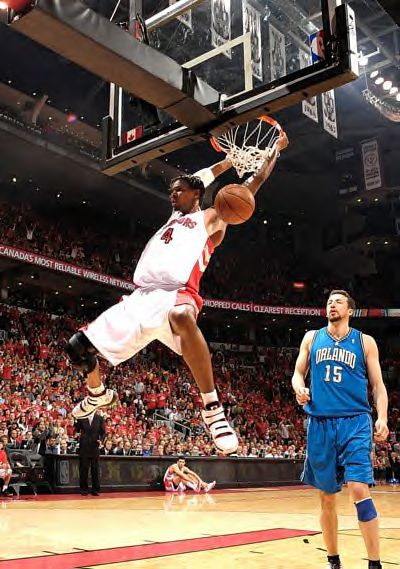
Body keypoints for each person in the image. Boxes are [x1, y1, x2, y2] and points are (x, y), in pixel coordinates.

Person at [67, 133, 288, 455]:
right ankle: (97, 394)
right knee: (77, 347)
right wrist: (229, 160)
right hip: (140, 297)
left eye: (179, 191)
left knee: (182, 316)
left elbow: (251, 185)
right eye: (172, 190)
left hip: (176, 292)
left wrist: (274, 151)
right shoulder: (175, 217)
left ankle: (213, 409)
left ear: (196, 194)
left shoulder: (212, 218)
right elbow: (199, 176)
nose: (173, 194)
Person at [291, 290, 389, 569]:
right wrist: (299, 387)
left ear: (350, 310)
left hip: (355, 422)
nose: (332, 305)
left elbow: (378, 386)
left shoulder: (364, 342)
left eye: (339, 302)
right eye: (329, 302)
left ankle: (374, 563)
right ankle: (333, 560)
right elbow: (298, 373)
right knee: (327, 497)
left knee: (359, 488)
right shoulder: (311, 337)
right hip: (320, 423)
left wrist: (381, 416)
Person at [76, 412, 106, 496]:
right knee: (83, 469)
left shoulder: (99, 418)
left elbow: (103, 432)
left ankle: (95, 490)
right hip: (84, 446)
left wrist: (102, 441)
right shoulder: (81, 417)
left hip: (94, 446)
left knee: (95, 469)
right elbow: (77, 429)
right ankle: (83, 489)